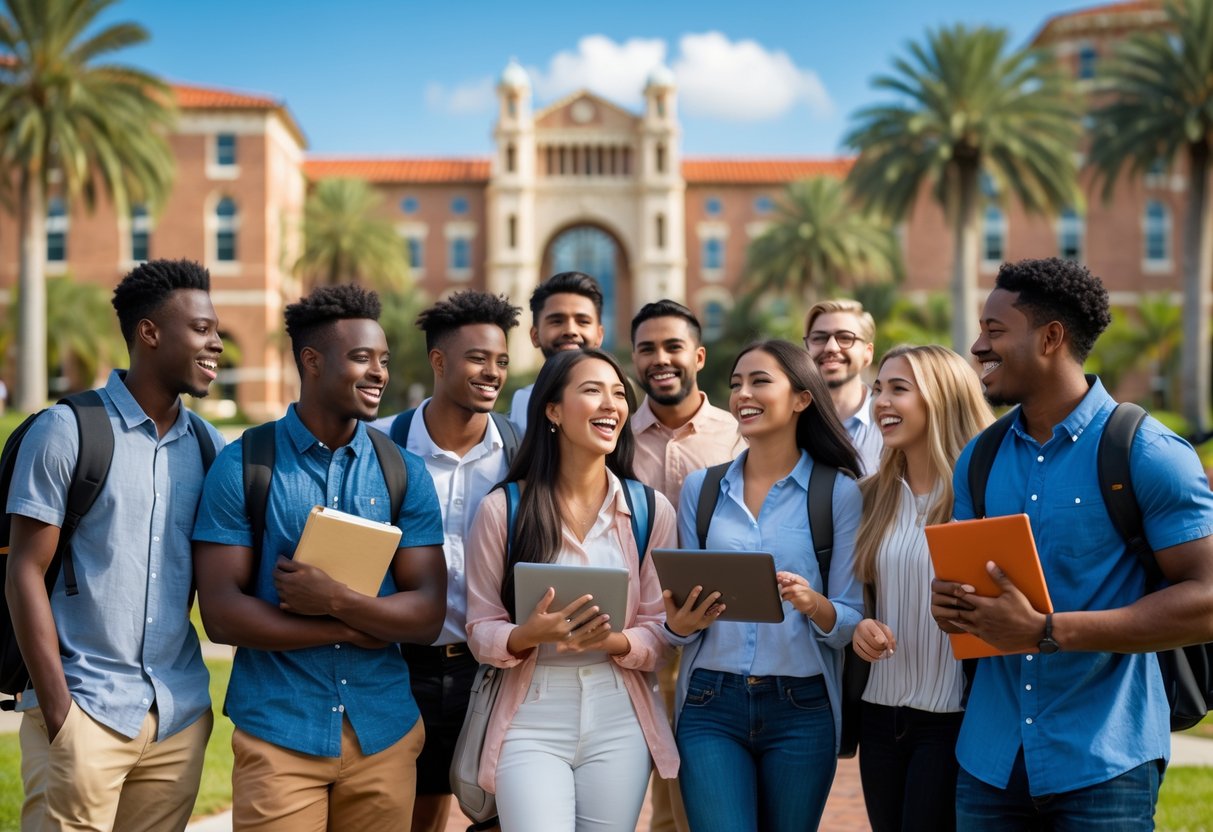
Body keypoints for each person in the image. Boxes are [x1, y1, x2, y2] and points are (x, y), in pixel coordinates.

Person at [931, 257, 1213, 830]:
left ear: (1051, 338)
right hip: (989, 759)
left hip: (1104, 763)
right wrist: (956, 608)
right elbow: (974, 612)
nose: (977, 345)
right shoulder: (978, 460)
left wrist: (1045, 631)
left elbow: (1207, 600)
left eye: (994, 330)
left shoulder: (1149, 453)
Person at [192, 284, 447, 831]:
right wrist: (356, 626)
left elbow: (426, 613)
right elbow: (220, 613)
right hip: (279, 736)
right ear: (311, 362)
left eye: (383, 359)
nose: (378, 372)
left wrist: (333, 600)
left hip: (385, 734)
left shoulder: (405, 473)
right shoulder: (244, 465)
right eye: (361, 358)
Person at [6, 258, 225, 831]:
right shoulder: (66, 430)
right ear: (149, 333)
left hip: (177, 717)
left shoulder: (208, 446)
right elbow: (24, 572)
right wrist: (61, 714)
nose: (217, 343)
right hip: (85, 709)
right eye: (202, 329)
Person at [465, 347, 679, 832]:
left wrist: (615, 642)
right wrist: (524, 635)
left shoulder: (650, 511)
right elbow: (479, 627)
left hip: (619, 712)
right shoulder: (503, 509)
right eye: (592, 390)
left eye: (620, 394)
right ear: (552, 410)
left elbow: (660, 631)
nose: (612, 404)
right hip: (531, 714)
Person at [665, 339, 864, 832]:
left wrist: (814, 603)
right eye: (735, 384)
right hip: (710, 702)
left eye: (759, 381)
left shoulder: (837, 492)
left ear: (801, 398)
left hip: (802, 706)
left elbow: (850, 618)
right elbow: (682, 615)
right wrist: (681, 623)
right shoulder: (702, 489)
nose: (742, 394)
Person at [369, 290, 521, 832]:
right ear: (438, 361)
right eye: (479, 358)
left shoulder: (520, 452)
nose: (493, 372)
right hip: (397, 666)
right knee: (415, 813)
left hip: (493, 668)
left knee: (499, 812)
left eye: (502, 360)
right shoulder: (379, 444)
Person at [850, 345, 993, 832]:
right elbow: (857, 599)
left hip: (954, 717)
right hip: (879, 713)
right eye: (878, 389)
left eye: (898, 389)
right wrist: (859, 627)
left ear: (942, 399)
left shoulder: (983, 498)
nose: (881, 402)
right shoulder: (868, 497)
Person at [628, 299, 744, 832]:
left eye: (673, 346)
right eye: (647, 348)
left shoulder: (739, 435)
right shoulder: (615, 438)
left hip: (723, 628)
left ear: (697, 355)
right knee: (657, 784)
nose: (661, 359)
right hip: (640, 629)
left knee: (710, 779)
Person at [508, 271, 605, 431]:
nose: (570, 330)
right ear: (535, 336)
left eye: (583, 321)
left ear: (599, 336)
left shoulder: (614, 404)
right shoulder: (522, 402)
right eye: (557, 321)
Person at [804, 299, 882, 475]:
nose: (831, 347)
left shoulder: (889, 420)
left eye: (845, 338)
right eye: (819, 338)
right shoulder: (790, 423)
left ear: (867, 353)